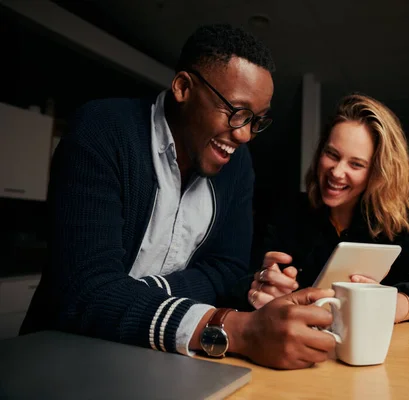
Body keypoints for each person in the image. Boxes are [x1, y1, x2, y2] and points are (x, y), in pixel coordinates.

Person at [20, 23, 337, 370]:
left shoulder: (237, 164)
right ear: (183, 87)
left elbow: (227, 270)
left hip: (160, 360)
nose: (245, 134)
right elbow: (85, 292)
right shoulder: (101, 131)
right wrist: (234, 329)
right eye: (236, 112)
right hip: (60, 358)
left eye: (256, 120)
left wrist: (252, 286)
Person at [248, 93, 409, 321]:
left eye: (356, 164)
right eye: (332, 154)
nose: (337, 172)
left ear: (378, 173)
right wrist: (261, 287)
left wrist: (391, 304)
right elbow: (241, 280)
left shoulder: (406, 219)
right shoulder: (288, 211)